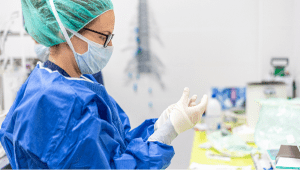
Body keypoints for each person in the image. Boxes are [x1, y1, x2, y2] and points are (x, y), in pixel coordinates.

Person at [0, 0, 208, 169]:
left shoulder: (77, 83)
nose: (110, 46)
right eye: (104, 37)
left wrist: (159, 126)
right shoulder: (60, 102)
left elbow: (116, 145)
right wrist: (167, 133)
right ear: (68, 31)